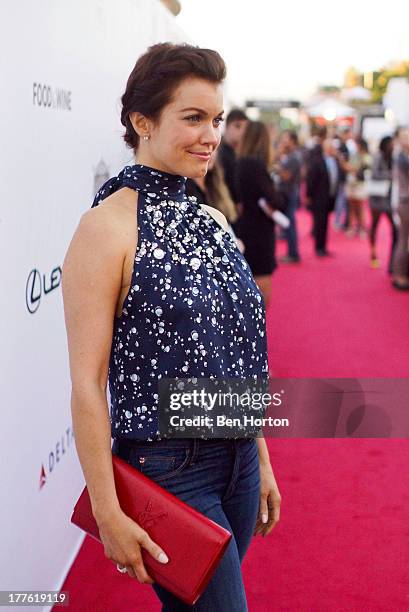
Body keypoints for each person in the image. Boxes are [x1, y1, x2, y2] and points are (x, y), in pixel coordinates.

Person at [61, 42, 281, 611]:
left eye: (216, 119)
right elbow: (88, 382)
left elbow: (234, 351)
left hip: (234, 463)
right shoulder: (107, 228)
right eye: (192, 118)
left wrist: (257, 454)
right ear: (142, 122)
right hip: (167, 469)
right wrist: (108, 512)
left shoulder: (210, 217)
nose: (211, 135)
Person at [235, 120, 280, 307]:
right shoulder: (254, 164)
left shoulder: (240, 163)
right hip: (258, 233)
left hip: (244, 228)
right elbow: (276, 201)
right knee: (261, 293)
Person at [306, 137, 340, 256]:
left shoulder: (335, 161)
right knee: (319, 223)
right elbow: (311, 179)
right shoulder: (317, 161)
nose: (333, 149)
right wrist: (309, 195)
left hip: (331, 196)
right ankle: (319, 247)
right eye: (330, 146)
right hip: (319, 197)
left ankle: (323, 247)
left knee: (325, 223)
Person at [368, 136, 397, 271]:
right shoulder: (378, 157)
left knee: (395, 229)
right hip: (378, 198)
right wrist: (391, 175)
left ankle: (393, 260)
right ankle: (373, 253)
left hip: (390, 199)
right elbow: (374, 174)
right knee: (374, 225)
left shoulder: (395, 157)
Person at [275, 130, 301, 263]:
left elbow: (286, 176)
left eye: (286, 138)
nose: (284, 141)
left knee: (289, 223)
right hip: (288, 192)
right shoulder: (291, 156)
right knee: (288, 223)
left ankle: (293, 253)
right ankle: (292, 252)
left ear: (292, 140)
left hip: (289, 193)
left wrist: (278, 167)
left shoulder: (293, 157)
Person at [218, 108, 248, 206]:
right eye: (237, 126)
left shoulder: (239, 154)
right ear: (227, 126)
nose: (242, 132)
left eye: (245, 128)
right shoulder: (217, 152)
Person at [391, 127, 409, 290]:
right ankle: (400, 275)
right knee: (403, 240)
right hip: (406, 202)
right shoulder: (402, 158)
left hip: (404, 201)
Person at [345, 138, 371, 238]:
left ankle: (362, 228)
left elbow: (356, 168)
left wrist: (350, 167)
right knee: (352, 207)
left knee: (360, 207)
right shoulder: (354, 155)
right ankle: (352, 227)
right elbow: (350, 167)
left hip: (361, 184)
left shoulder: (366, 157)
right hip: (352, 183)